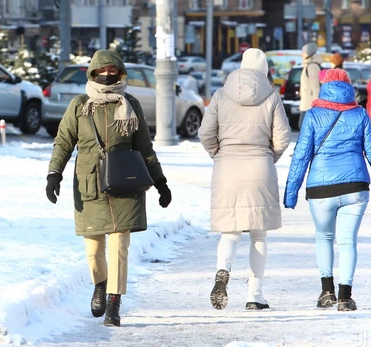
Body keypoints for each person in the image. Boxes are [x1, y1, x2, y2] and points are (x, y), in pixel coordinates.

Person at [45, 49, 172, 327]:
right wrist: (54, 173)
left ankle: (114, 302)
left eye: (113, 71)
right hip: (90, 186)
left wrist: (160, 182)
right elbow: (64, 141)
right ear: (92, 73)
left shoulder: (130, 104)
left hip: (125, 185)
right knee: (93, 250)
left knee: (119, 247)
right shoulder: (80, 105)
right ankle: (100, 284)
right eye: (102, 71)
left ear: (120, 73)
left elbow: (144, 148)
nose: (107, 75)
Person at [198, 48, 291, 311]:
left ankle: (222, 269)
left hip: (226, 167)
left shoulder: (221, 93)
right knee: (259, 235)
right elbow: (283, 137)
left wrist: (218, 154)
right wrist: (266, 157)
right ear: (265, 69)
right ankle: (255, 295)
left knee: (230, 230)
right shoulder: (271, 95)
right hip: (260, 167)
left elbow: (205, 133)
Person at [284, 69, 371, 311]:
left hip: (320, 188)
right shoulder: (361, 115)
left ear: (324, 86)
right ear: (349, 88)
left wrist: (291, 193)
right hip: (356, 187)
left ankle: (326, 292)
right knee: (347, 241)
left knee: (324, 237)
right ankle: (345, 296)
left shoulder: (313, 115)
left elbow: (301, 156)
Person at [299, 43, 323, 130]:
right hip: (307, 103)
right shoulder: (308, 65)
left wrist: (317, 104)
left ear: (308, 53)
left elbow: (315, 86)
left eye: (303, 52)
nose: (302, 54)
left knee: (303, 126)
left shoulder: (311, 67)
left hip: (309, 104)